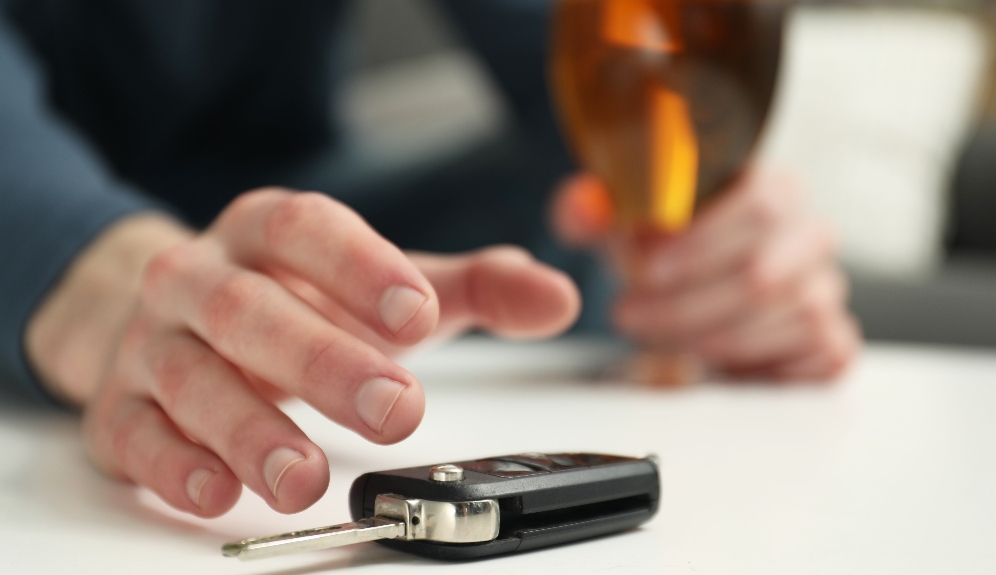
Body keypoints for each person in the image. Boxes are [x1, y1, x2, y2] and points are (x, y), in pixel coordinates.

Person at [0, 0, 859, 518]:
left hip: (286, 204)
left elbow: (580, 48)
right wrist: (87, 268)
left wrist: (715, 246)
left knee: (554, 227)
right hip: (40, 207)